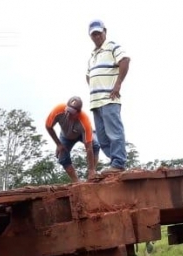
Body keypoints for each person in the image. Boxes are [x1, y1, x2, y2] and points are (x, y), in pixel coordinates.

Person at [86, 20, 130, 175]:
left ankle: (118, 163)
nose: (96, 36)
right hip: (96, 102)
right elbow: (88, 76)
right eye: (94, 34)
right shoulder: (92, 55)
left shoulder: (112, 46)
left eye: (99, 33)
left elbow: (125, 60)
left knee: (114, 132)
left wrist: (117, 84)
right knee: (102, 138)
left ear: (105, 31)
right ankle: (115, 164)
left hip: (109, 98)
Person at [44, 96, 98, 182]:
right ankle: (77, 182)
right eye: (67, 111)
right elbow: (48, 126)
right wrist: (58, 144)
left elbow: (89, 148)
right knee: (62, 157)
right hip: (66, 136)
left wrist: (91, 170)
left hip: (81, 134)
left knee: (95, 145)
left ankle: (92, 175)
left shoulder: (84, 121)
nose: (68, 114)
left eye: (72, 112)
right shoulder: (58, 110)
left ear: (78, 112)